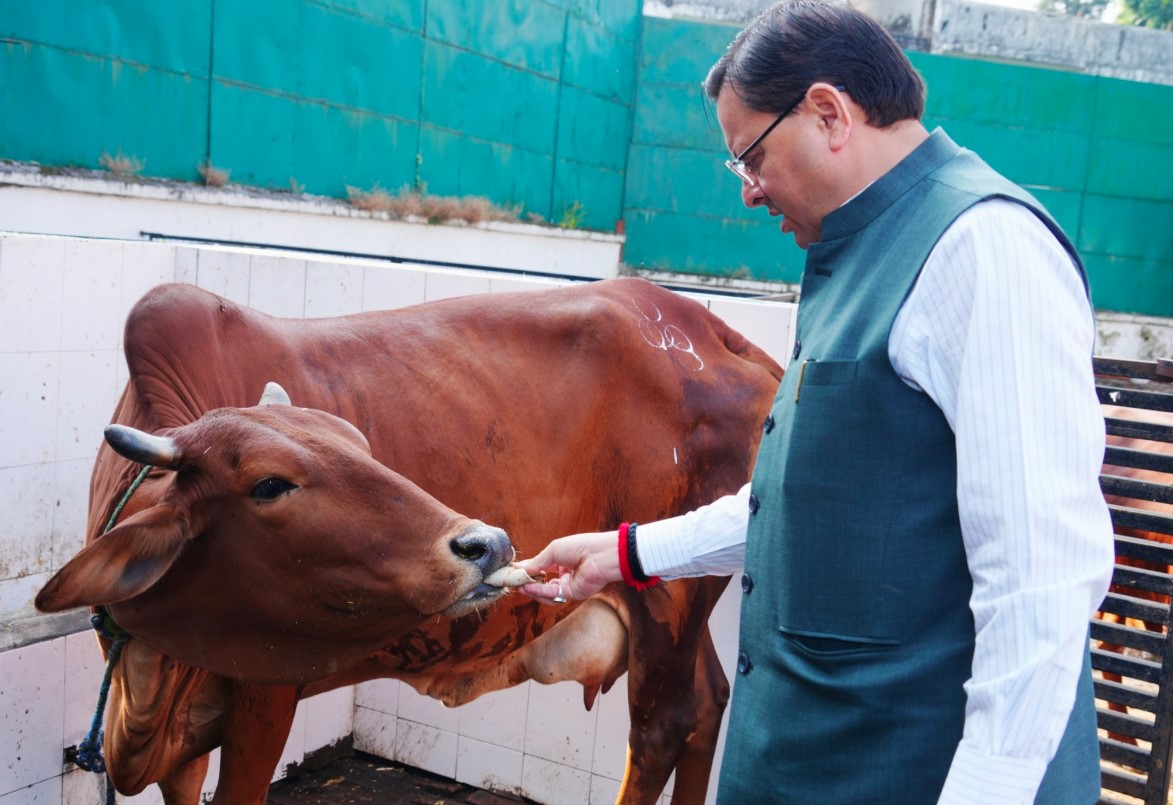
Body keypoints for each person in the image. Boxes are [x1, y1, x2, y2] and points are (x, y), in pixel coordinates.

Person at [515, 1, 1116, 803]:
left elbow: (1039, 582)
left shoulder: (984, 249)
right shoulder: (857, 251)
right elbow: (810, 502)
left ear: (829, 113)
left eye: (751, 158)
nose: (748, 192)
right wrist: (625, 554)